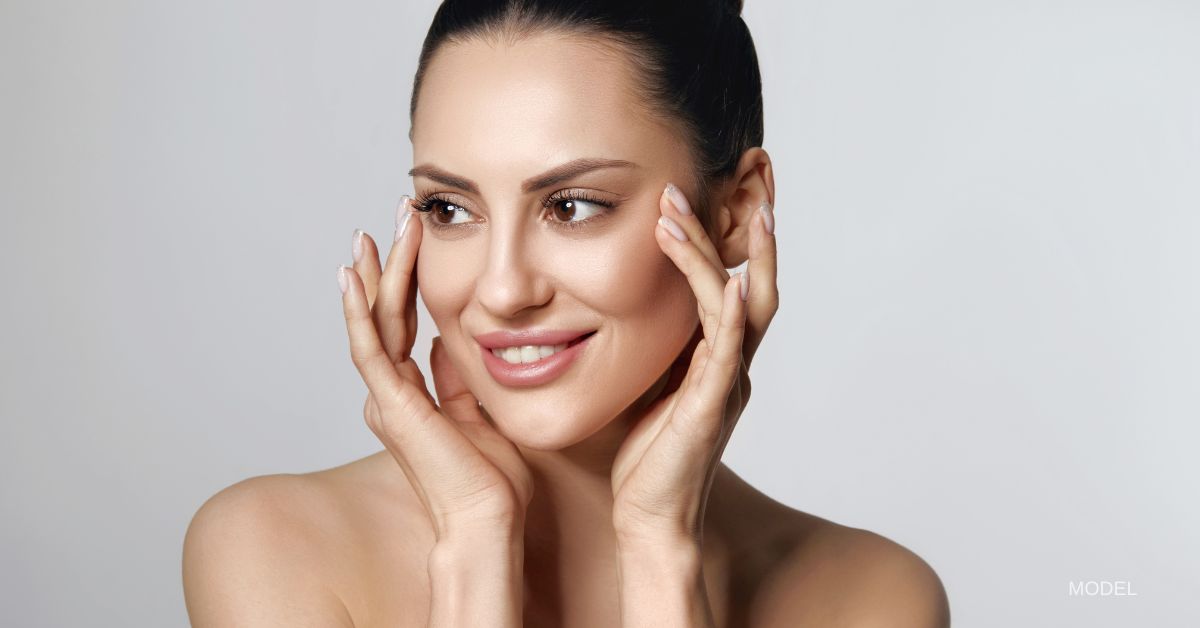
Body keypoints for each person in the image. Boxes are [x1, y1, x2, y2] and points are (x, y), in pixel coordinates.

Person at [182, 0, 950, 625]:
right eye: (450, 209)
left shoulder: (870, 599)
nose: (503, 289)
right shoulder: (276, 550)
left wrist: (658, 552)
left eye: (572, 205)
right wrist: (476, 548)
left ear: (738, 212)